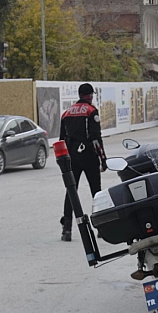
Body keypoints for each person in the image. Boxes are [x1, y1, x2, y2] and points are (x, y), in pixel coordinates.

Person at [59, 83, 107, 242]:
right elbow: (95, 138)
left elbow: (61, 140)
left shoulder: (66, 114)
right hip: (89, 156)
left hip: (71, 157)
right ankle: (101, 228)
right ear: (90, 95)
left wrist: (63, 162)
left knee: (71, 192)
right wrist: (103, 159)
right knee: (97, 192)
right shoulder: (91, 112)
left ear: (79, 94)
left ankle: (67, 229)